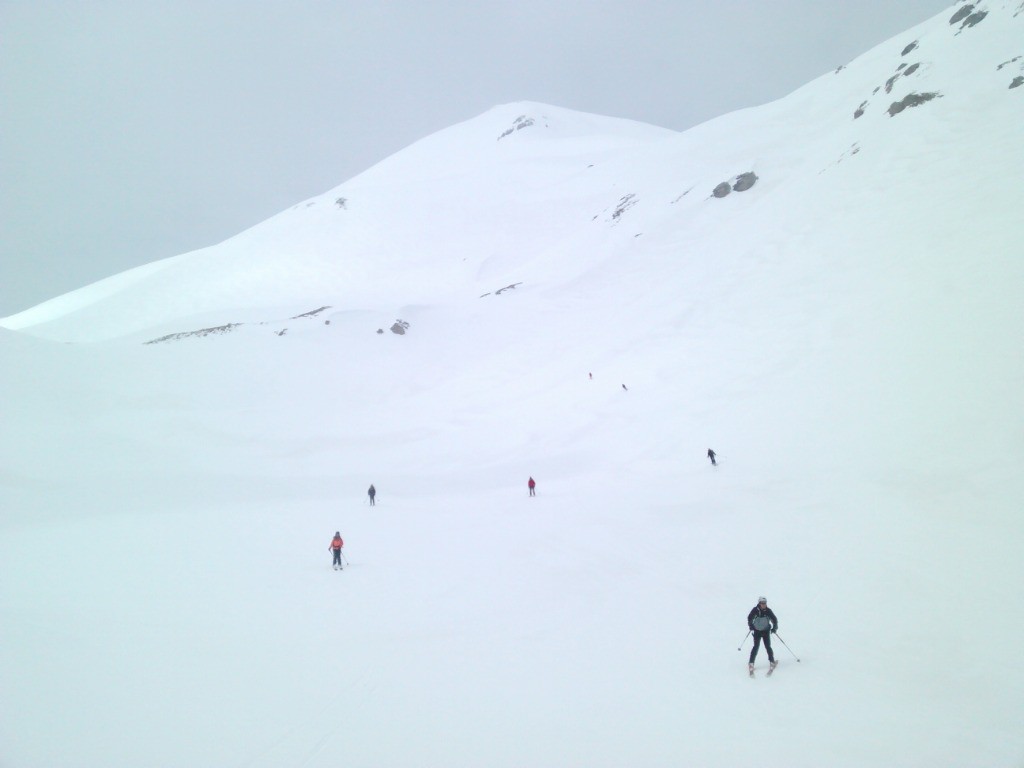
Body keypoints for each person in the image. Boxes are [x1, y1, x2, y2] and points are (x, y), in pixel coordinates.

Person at [747, 597, 778, 672]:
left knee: (768, 647)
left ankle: (771, 661)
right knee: (755, 647)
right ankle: (751, 663)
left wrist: (774, 628)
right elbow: (749, 618)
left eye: (765, 603)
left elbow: (774, 619)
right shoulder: (755, 610)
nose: (764, 604)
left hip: (766, 631)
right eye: (762, 603)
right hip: (757, 631)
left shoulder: (768, 611)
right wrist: (750, 625)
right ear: (759, 603)